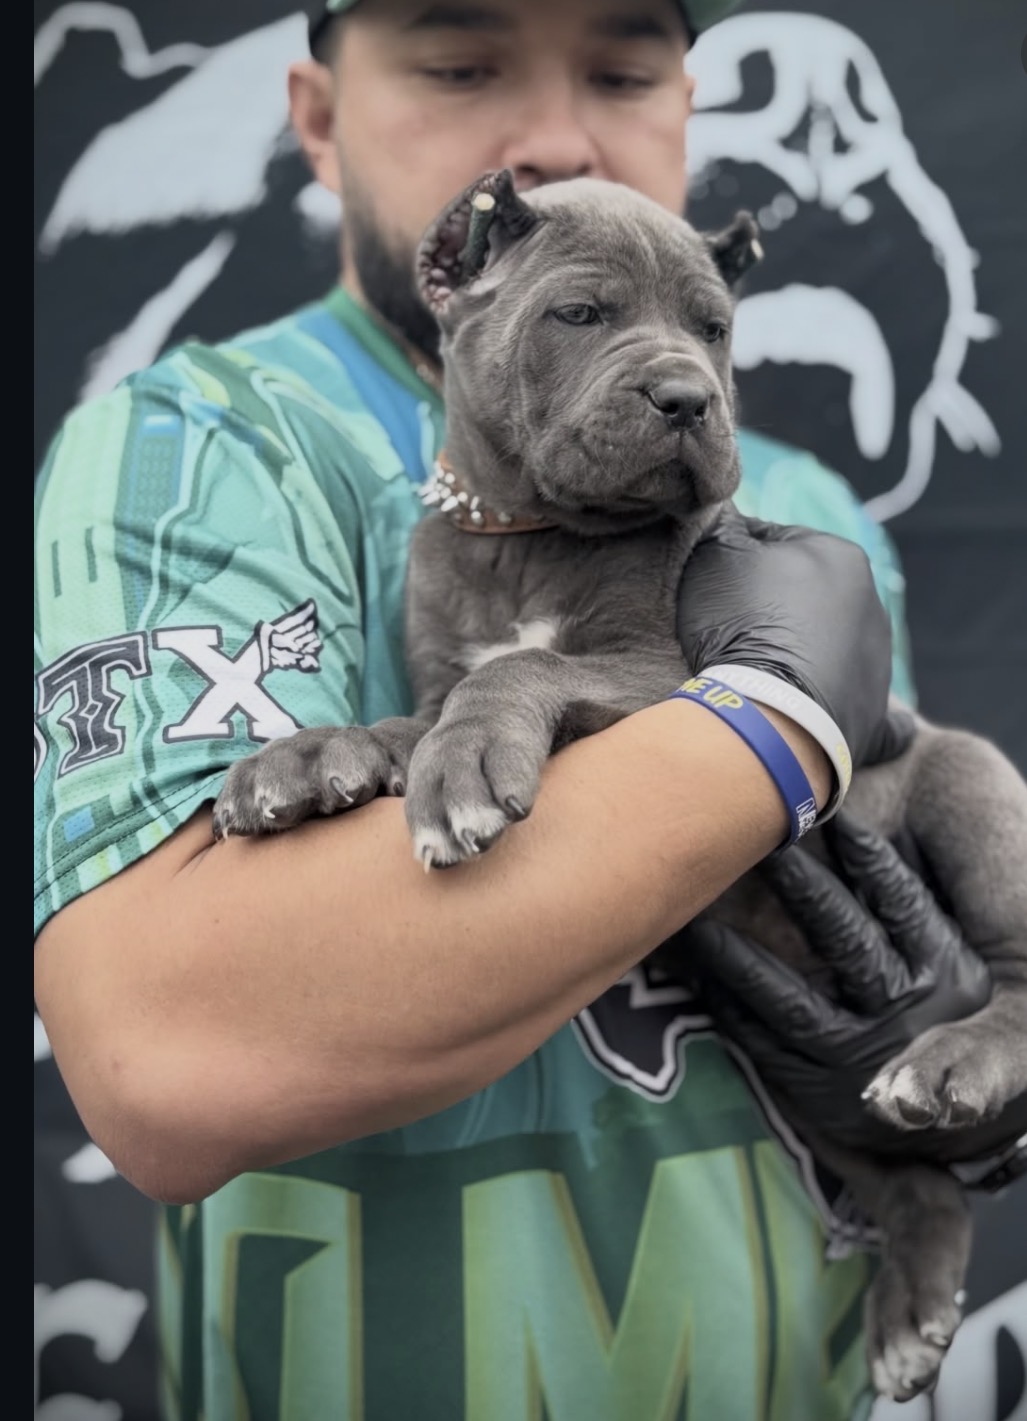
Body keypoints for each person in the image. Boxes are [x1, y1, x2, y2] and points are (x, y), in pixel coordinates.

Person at [31, 2, 1023, 1418]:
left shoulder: (803, 511)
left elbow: (869, 866)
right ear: (318, 117)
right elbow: (167, 1055)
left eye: (622, 71)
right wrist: (761, 721)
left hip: (804, 1374)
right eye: (460, 61)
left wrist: (973, 1069)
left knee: (965, 780)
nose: (559, 134)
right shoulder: (206, 447)